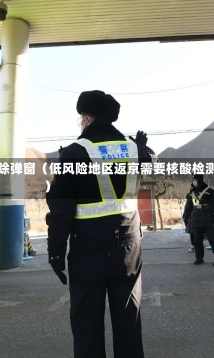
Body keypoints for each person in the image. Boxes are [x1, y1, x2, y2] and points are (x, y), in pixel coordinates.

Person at [45, 90, 154, 358]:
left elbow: (61, 209)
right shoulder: (134, 150)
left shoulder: (74, 153)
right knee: (129, 319)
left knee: (87, 325)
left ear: (88, 118)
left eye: (82, 119)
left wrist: (56, 251)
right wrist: (143, 148)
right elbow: (152, 162)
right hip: (129, 247)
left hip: (88, 250)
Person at [182, 174, 214, 266]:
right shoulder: (191, 193)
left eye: (196, 180)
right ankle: (199, 258)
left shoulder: (209, 191)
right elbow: (188, 207)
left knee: (212, 239)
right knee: (197, 240)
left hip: (207, 218)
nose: (194, 182)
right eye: (193, 180)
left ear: (200, 180)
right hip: (196, 219)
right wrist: (185, 218)